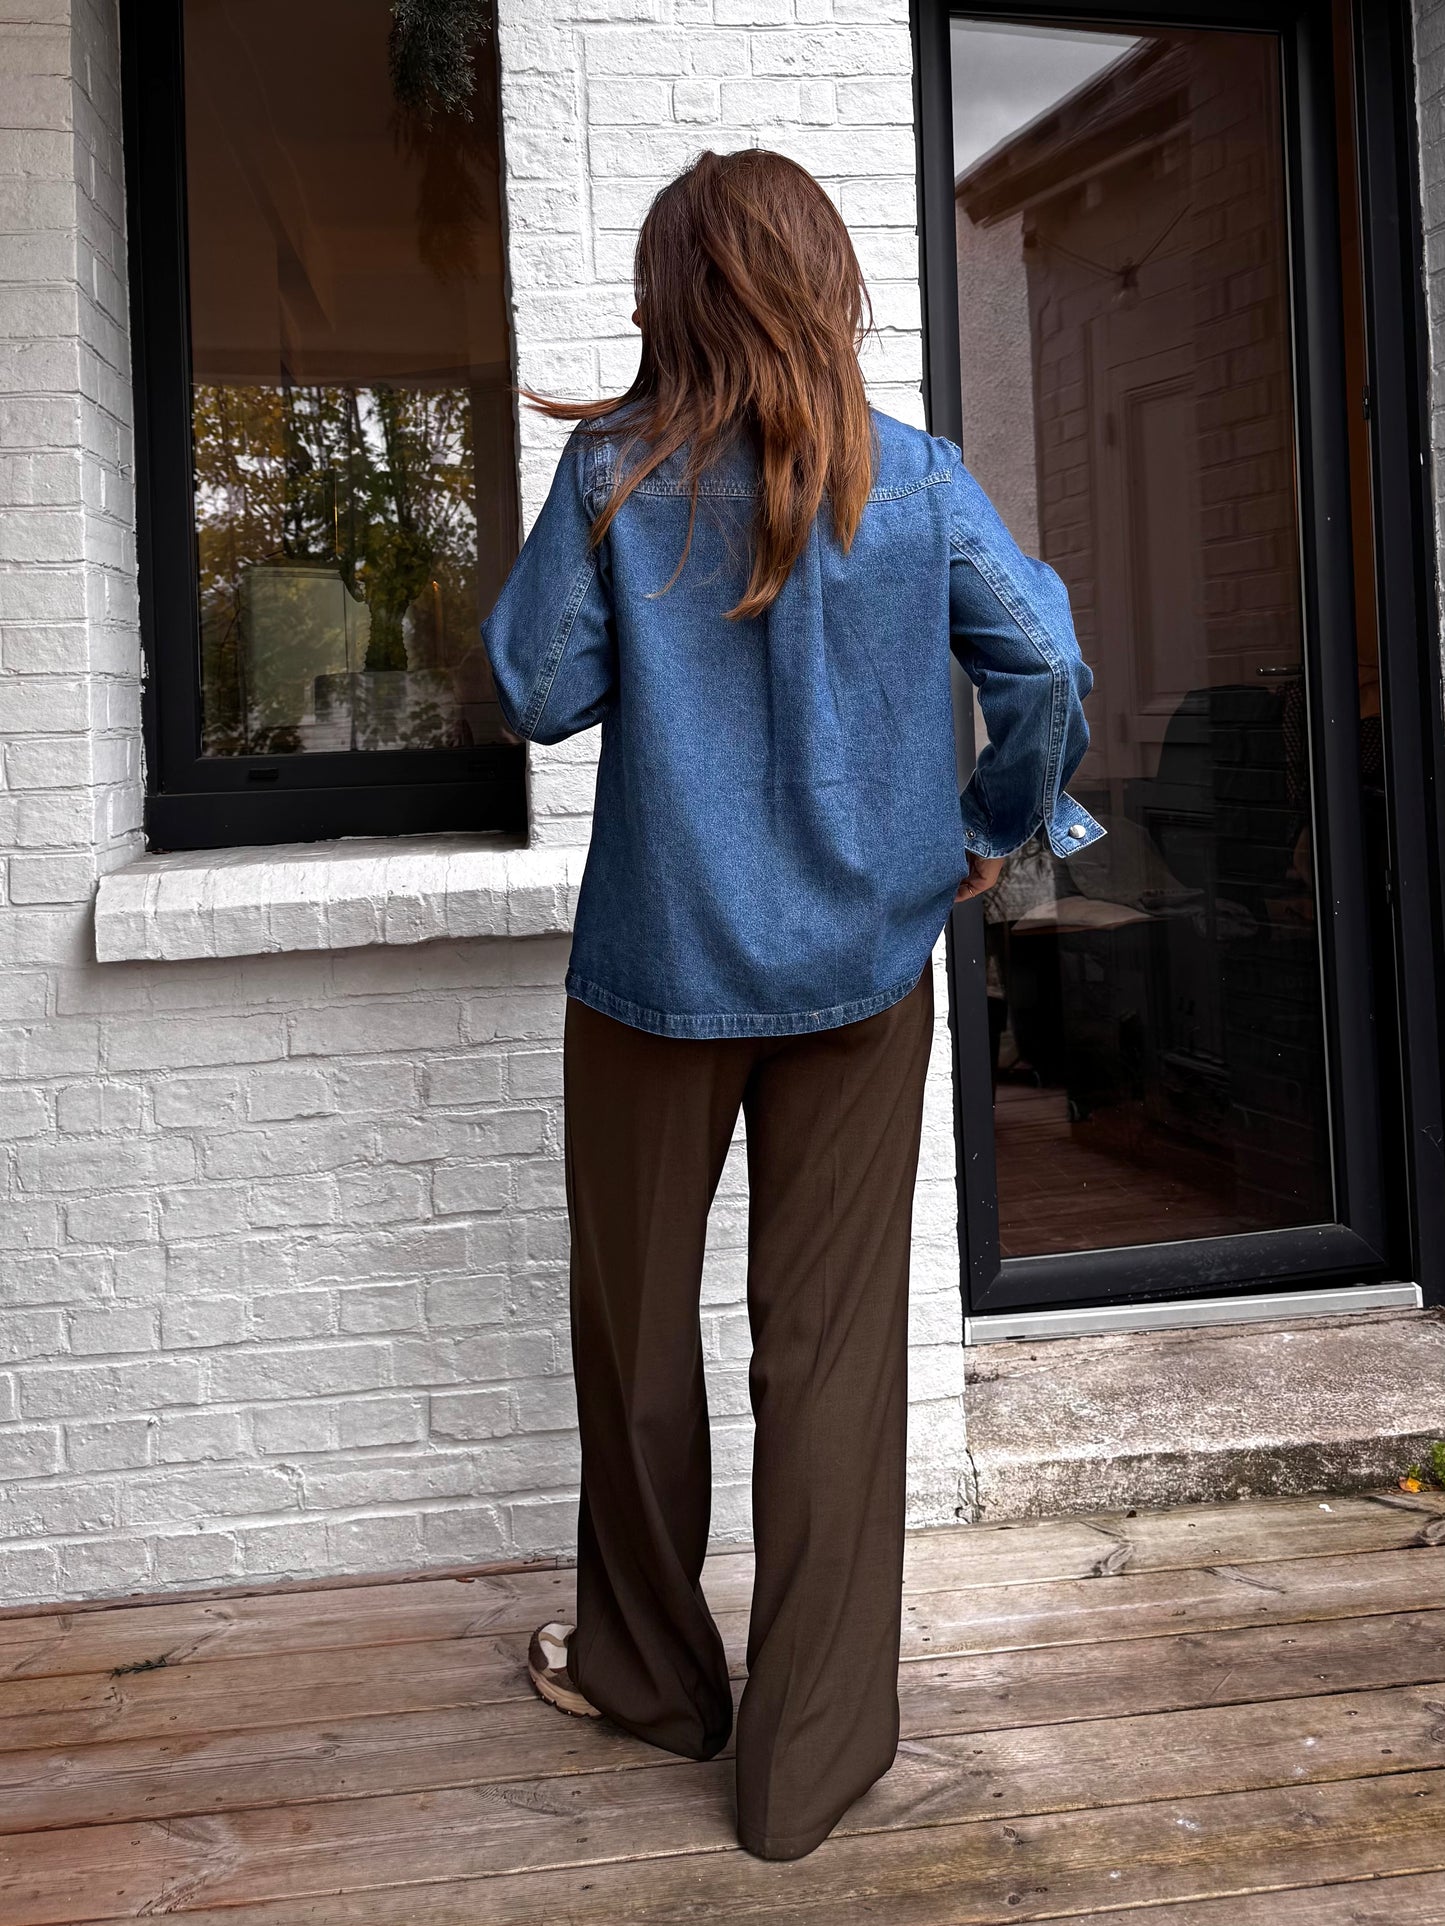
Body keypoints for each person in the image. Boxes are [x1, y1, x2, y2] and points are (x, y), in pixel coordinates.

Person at [481, 147, 1101, 1863]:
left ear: (675, 295)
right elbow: (1045, 665)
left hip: (651, 981)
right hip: (855, 979)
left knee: (636, 1336)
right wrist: (994, 833)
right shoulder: (911, 479)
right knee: (827, 1360)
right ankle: (806, 1762)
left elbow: (536, 688)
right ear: (823, 287)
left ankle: (651, 1678)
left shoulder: (614, 472)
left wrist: (599, 488)